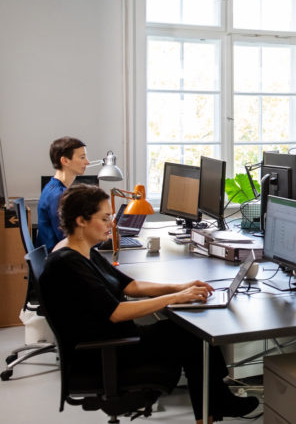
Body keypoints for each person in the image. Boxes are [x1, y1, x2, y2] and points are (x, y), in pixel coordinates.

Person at [39, 185, 258, 423]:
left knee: (190, 334)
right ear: (81, 221)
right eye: (104, 218)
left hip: (113, 339)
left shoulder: (85, 252)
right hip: (103, 352)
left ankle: (215, 404)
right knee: (192, 338)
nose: (111, 223)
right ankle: (215, 406)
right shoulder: (67, 264)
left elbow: (131, 286)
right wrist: (174, 298)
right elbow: (115, 312)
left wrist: (180, 287)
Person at [37, 136, 89, 251]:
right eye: (82, 157)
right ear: (65, 161)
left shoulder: (52, 186)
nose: (87, 162)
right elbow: (69, 239)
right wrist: (101, 239)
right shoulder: (58, 196)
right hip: (60, 260)